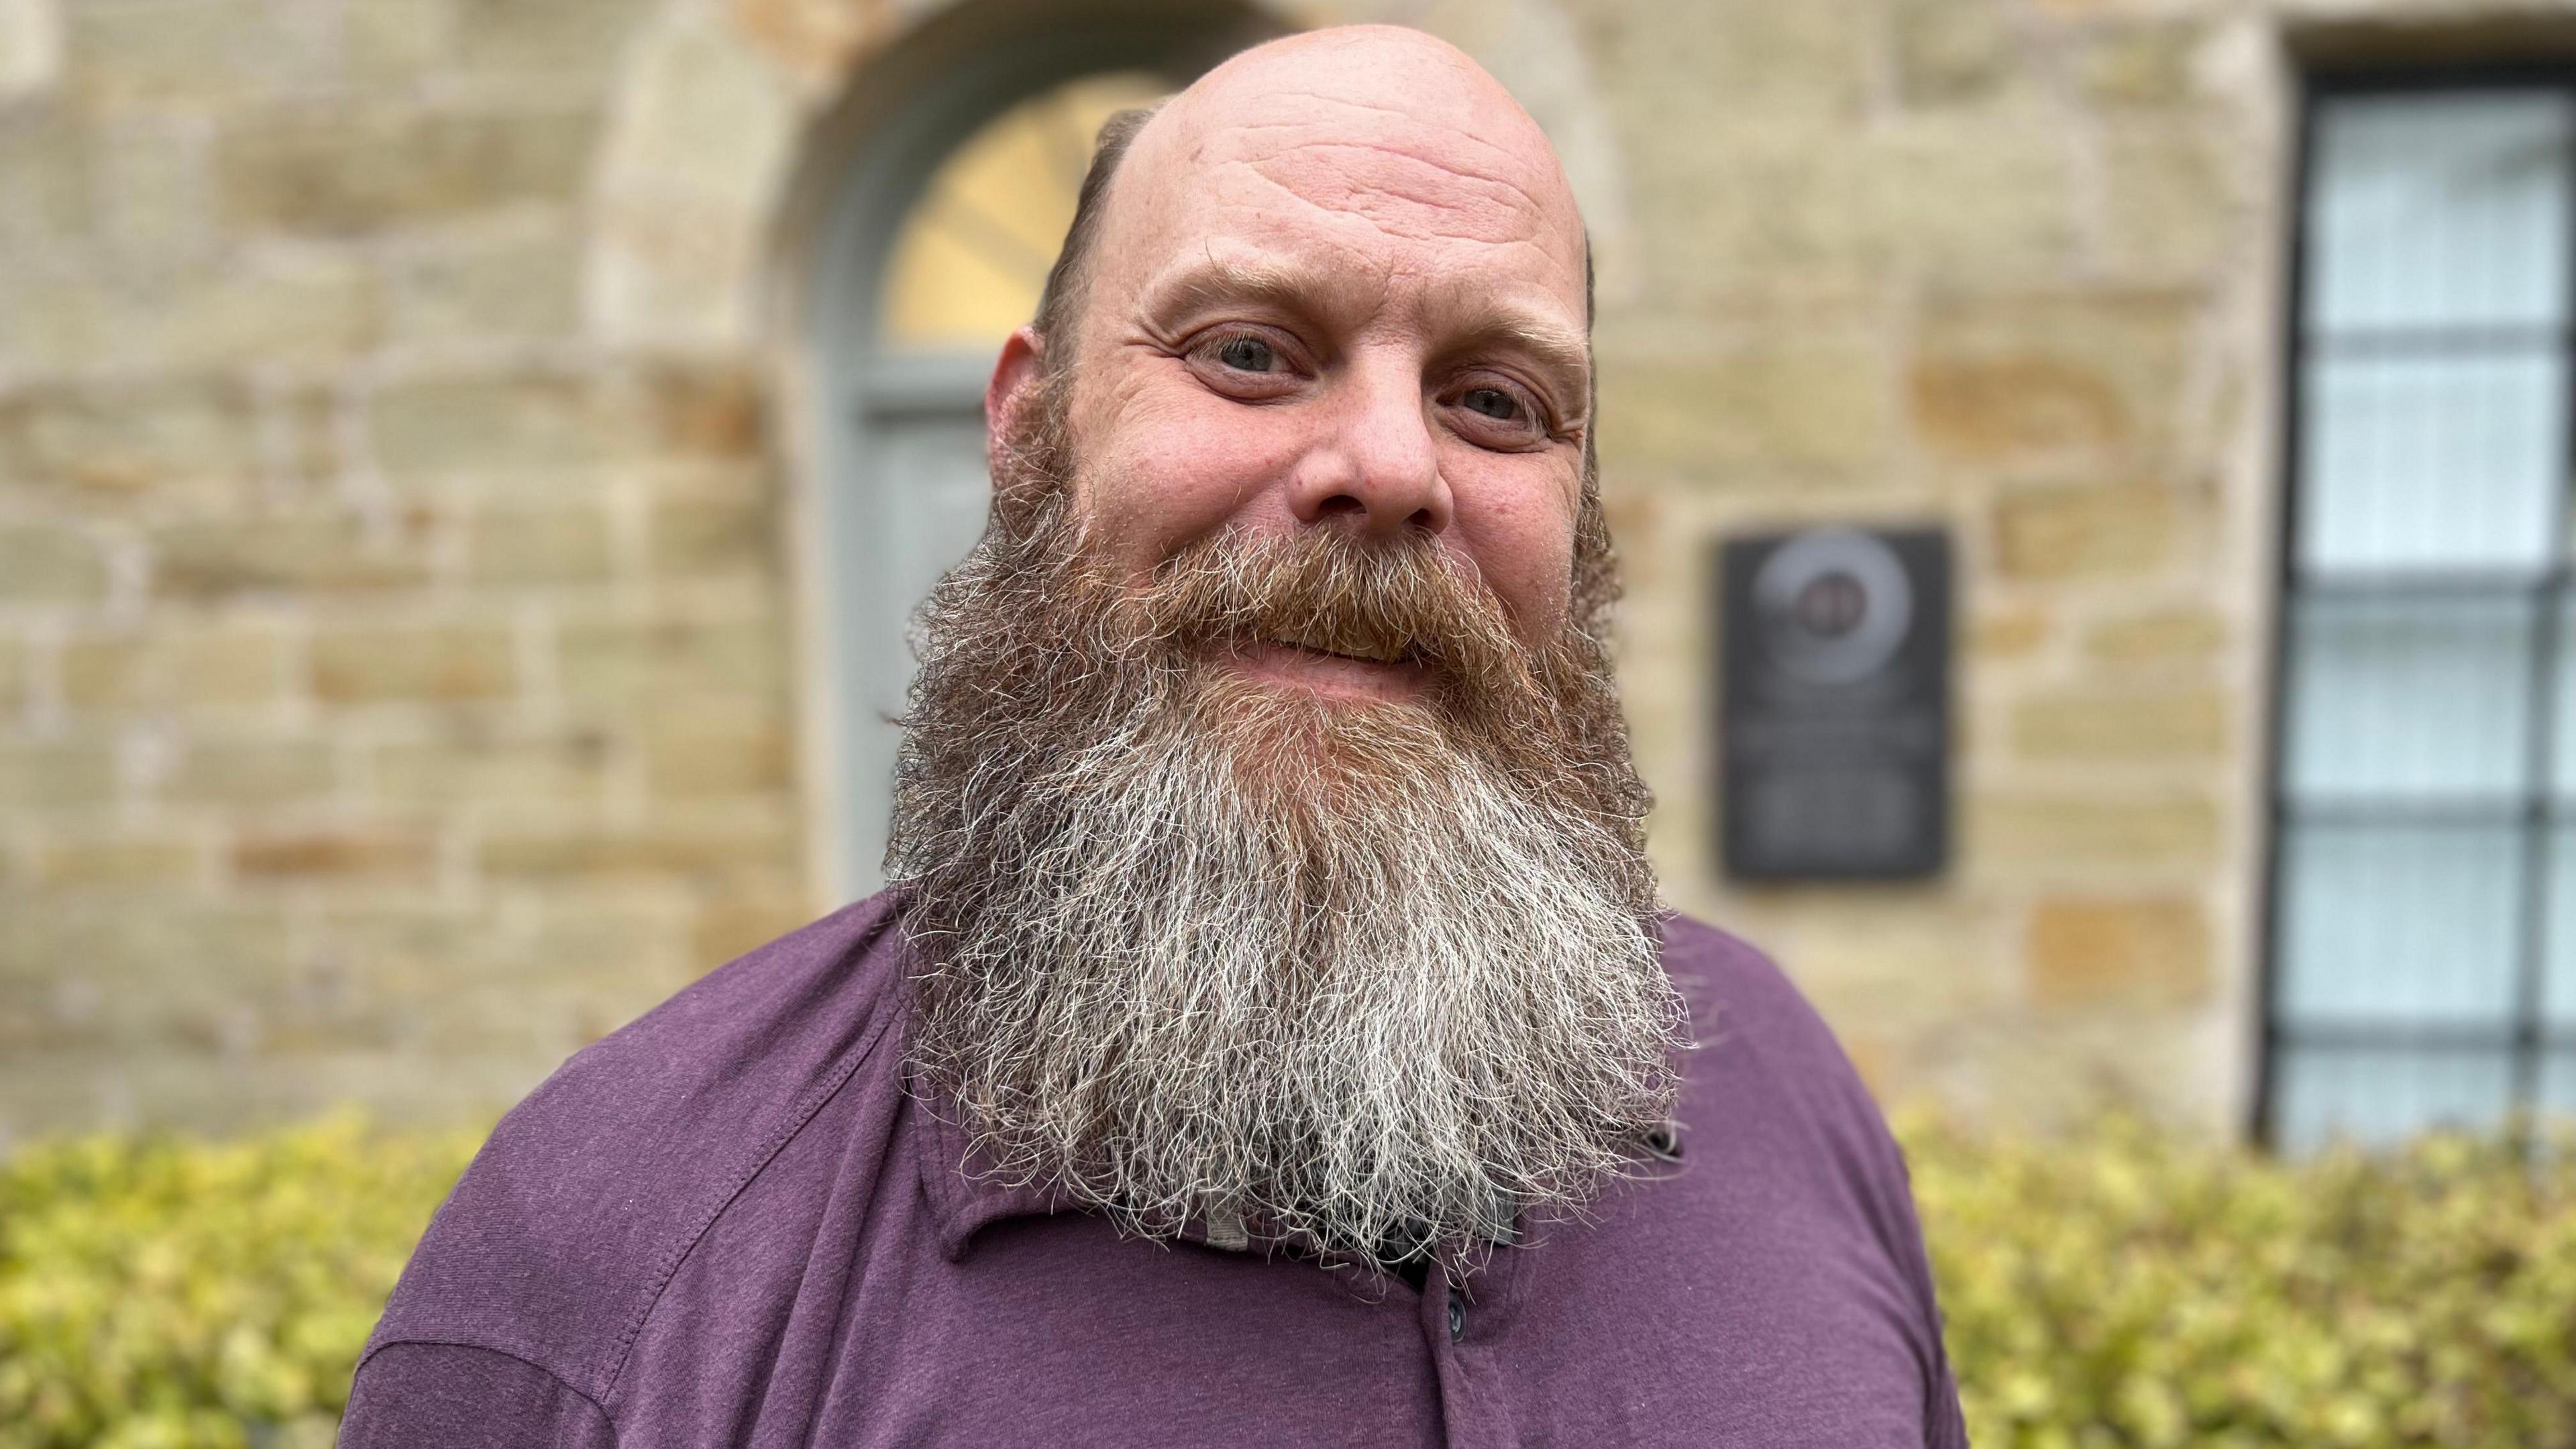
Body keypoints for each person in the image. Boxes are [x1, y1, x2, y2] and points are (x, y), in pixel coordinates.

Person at [338, 24, 1969, 1448]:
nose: (1392, 464)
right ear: (1028, 430)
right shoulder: (616, 1261)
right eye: (1249, 354)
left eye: (1495, 399)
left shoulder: (1772, 1083)